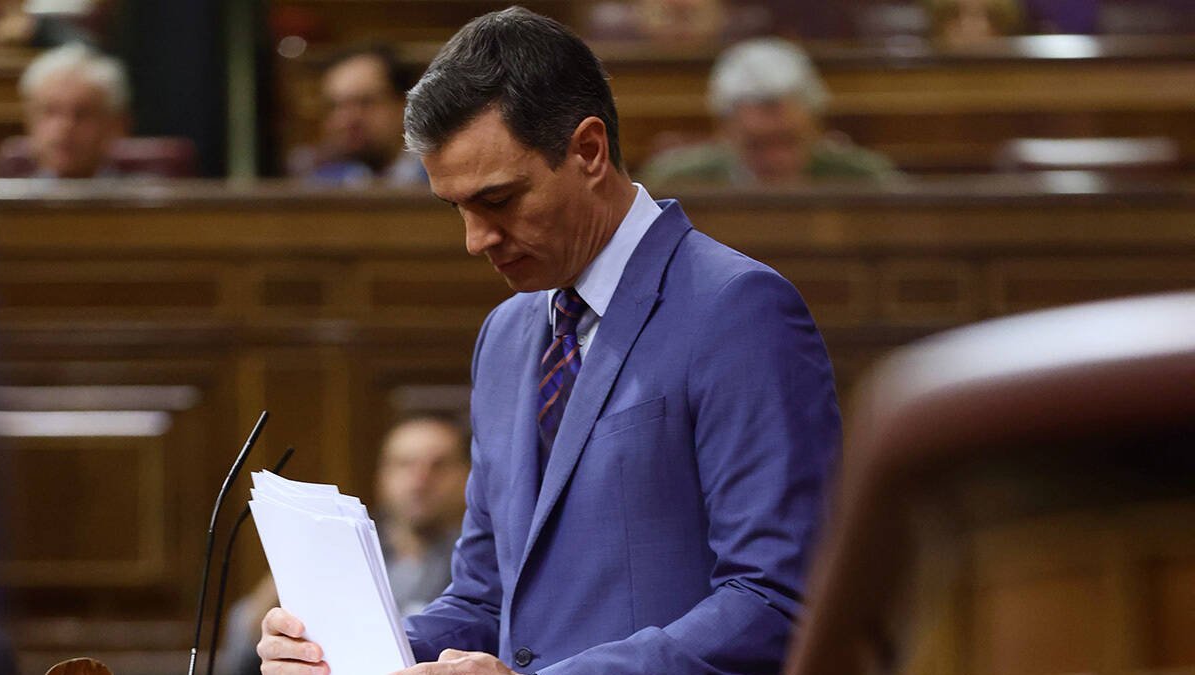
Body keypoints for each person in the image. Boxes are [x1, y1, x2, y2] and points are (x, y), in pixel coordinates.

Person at [259, 7, 840, 675]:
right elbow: (485, 598)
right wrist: (341, 651)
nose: (476, 241)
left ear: (589, 150)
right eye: (458, 209)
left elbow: (776, 602)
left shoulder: (738, 310)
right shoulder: (506, 334)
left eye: (498, 200)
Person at [220, 415, 469, 675]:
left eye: (438, 466)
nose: (419, 481)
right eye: (404, 465)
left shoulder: (484, 558)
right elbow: (241, 651)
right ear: (381, 476)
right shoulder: (339, 543)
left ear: (468, 475)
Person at [640, 37, 895, 186]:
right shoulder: (677, 183)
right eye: (757, 144)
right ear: (724, 130)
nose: (777, 160)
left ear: (816, 126)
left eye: (790, 141)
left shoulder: (865, 179)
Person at [297, 44, 427, 188]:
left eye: (365, 103)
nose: (345, 120)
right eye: (335, 106)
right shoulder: (322, 184)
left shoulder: (444, 181)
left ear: (407, 105)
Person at [16, 42, 129, 178]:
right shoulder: (3, 197)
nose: (65, 126)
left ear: (115, 125)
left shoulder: (147, 196)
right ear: (29, 120)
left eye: (82, 114)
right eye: (50, 111)